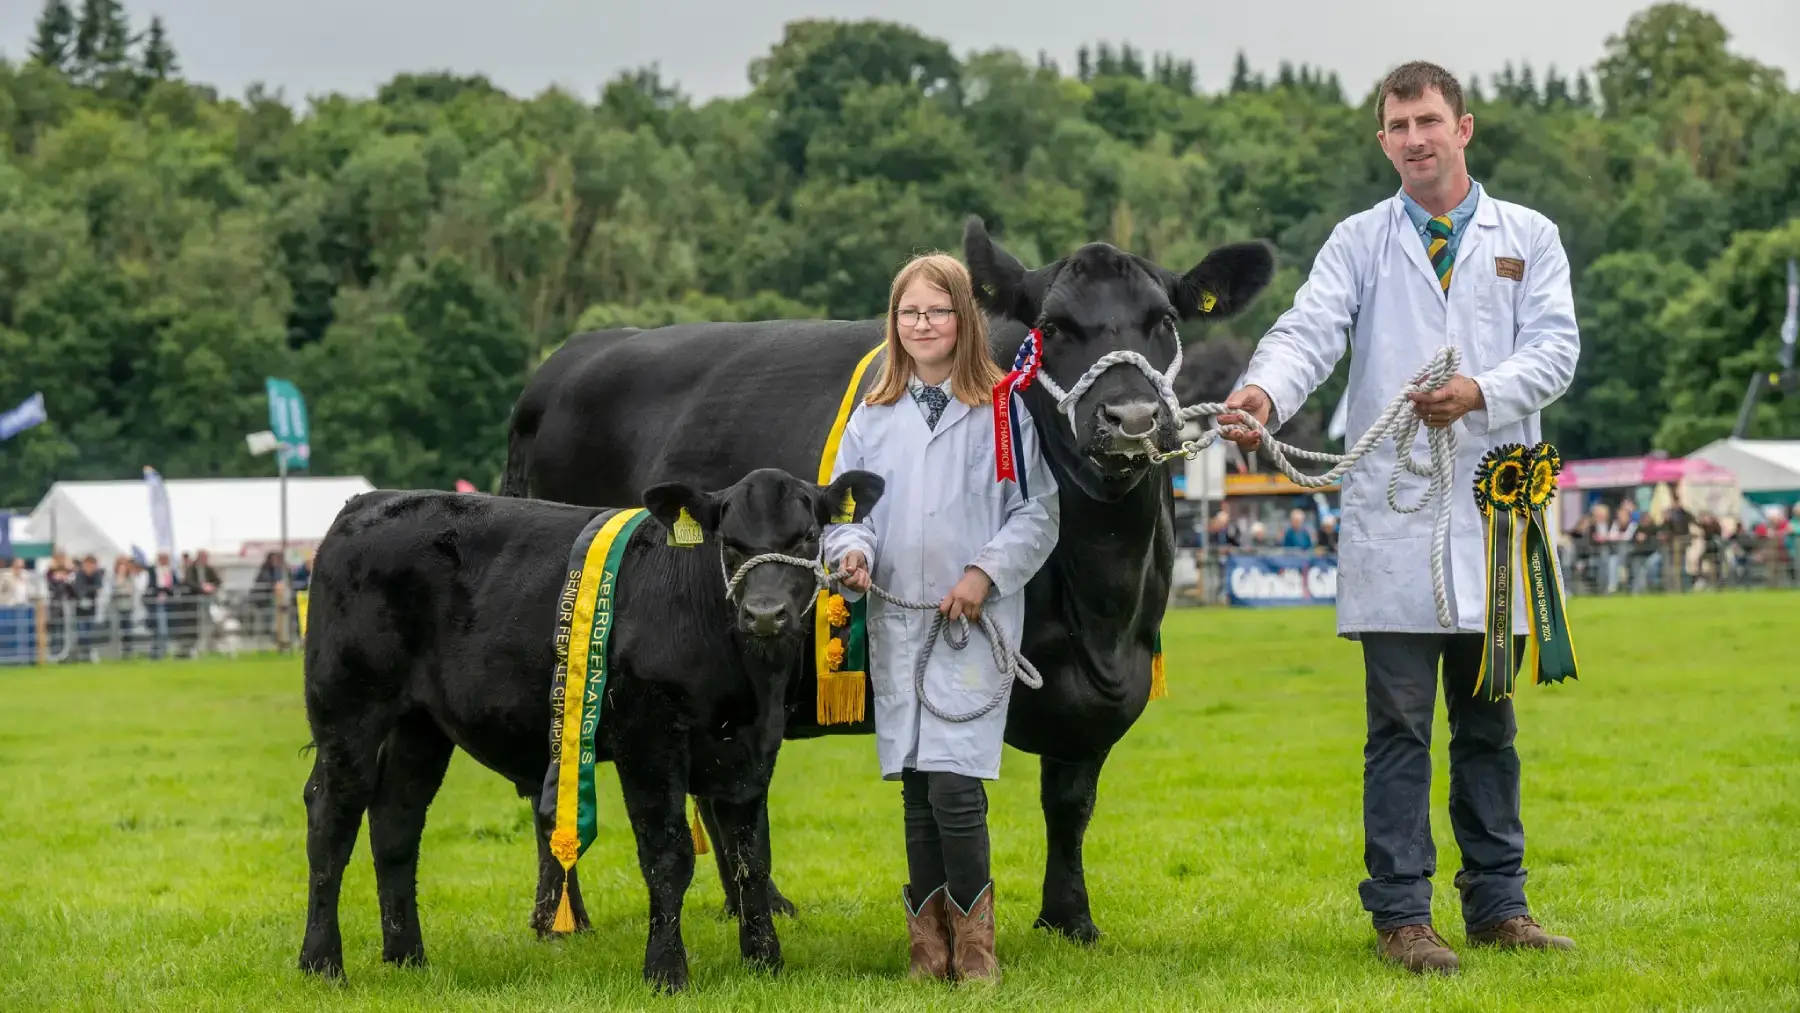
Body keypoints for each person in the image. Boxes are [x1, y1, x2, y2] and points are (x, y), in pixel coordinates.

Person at [1219, 61, 1579, 973]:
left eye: (1428, 120)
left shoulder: (1528, 236)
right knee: (1400, 728)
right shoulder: (1359, 240)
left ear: (1464, 127)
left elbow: (1556, 350)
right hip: (1396, 507)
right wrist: (1262, 390)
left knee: (1491, 725)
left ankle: (1501, 903)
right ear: (1382, 141)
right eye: (1396, 125)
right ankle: (1404, 916)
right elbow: (1310, 328)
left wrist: (1480, 391)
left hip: (1494, 512)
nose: (1414, 138)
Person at [823, 252, 1059, 984]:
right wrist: (853, 555)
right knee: (918, 785)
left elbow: (1039, 510)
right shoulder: (873, 413)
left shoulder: (1003, 406)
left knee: (956, 782)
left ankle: (976, 948)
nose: (922, 324)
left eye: (936, 310)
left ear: (965, 319)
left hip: (969, 622)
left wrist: (984, 572)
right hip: (899, 621)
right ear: (894, 325)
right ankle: (929, 951)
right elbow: (845, 513)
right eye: (909, 312)